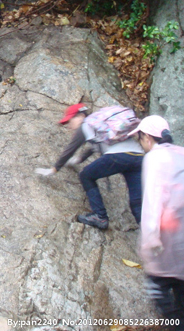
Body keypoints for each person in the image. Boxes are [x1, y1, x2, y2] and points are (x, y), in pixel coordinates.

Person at [35, 103, 144, 229]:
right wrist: (79, 159)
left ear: (81, 116)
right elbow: (96, 146)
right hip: (138, 157)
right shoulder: (100, 125)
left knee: (86, 175)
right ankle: (149, 230)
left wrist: (55, 168)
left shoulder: (86, 125)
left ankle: (100, 216)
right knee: (137, 201)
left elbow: (70, 149)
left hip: (118, 156)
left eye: (70, 121)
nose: (70, 126)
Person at [129, 116, 184, 329]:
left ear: (147, 138)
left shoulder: (154, 158)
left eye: (140, 139)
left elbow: (153, 201)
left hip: (166, 242)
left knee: (163, 299)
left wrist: (149, 241)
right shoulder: (181, 153)